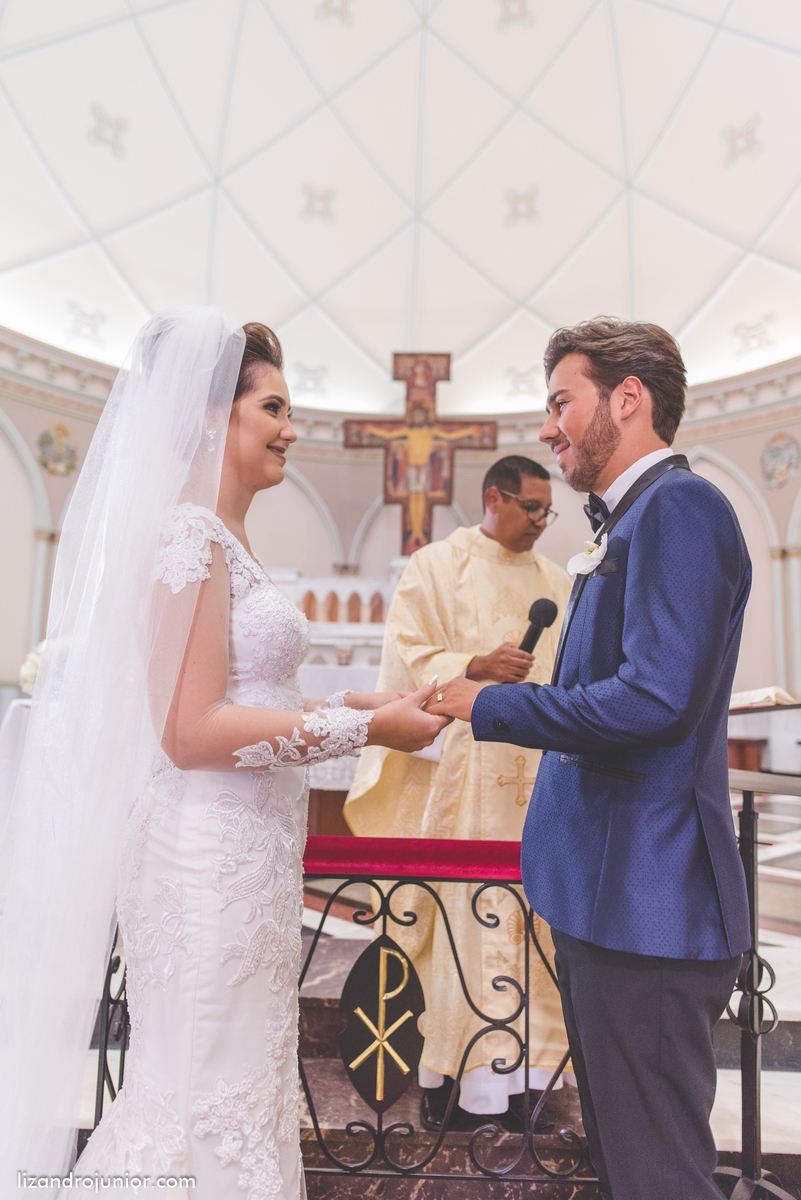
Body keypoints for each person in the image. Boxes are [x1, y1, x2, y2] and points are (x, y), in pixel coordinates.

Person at [0, 309, 449, 1198]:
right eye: (274, 408)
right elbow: (191, 730)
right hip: (203, 861)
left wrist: (356, 704)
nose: (291, 429)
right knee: (196, 1092)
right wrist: (364, 731)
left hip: (245, 856)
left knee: (237, 1087)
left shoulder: (225, 538)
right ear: (213, 416)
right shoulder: (186, 537)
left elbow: (246, 699)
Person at [427, 319, 751, 1200]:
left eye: (559, 402)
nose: (547, 428)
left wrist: (487, 703)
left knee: (659, 1175)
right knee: (627, 1162)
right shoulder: (636, 517)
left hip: (650, 903)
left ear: (628, 398)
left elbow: (653, 701)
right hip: (612, 899)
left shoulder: (679, 507)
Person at [344, 456, 572, 1131]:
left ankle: (529, 1078)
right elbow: (408, 664)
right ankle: (455, 1079)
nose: (540, 522)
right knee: (461, 929)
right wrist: (471, 666)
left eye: (546, 510)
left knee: (536, 931)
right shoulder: (435, 568)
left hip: (538, 785)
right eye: (531, 508)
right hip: (461, 788)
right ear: (493, 498)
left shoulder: (554, 582)